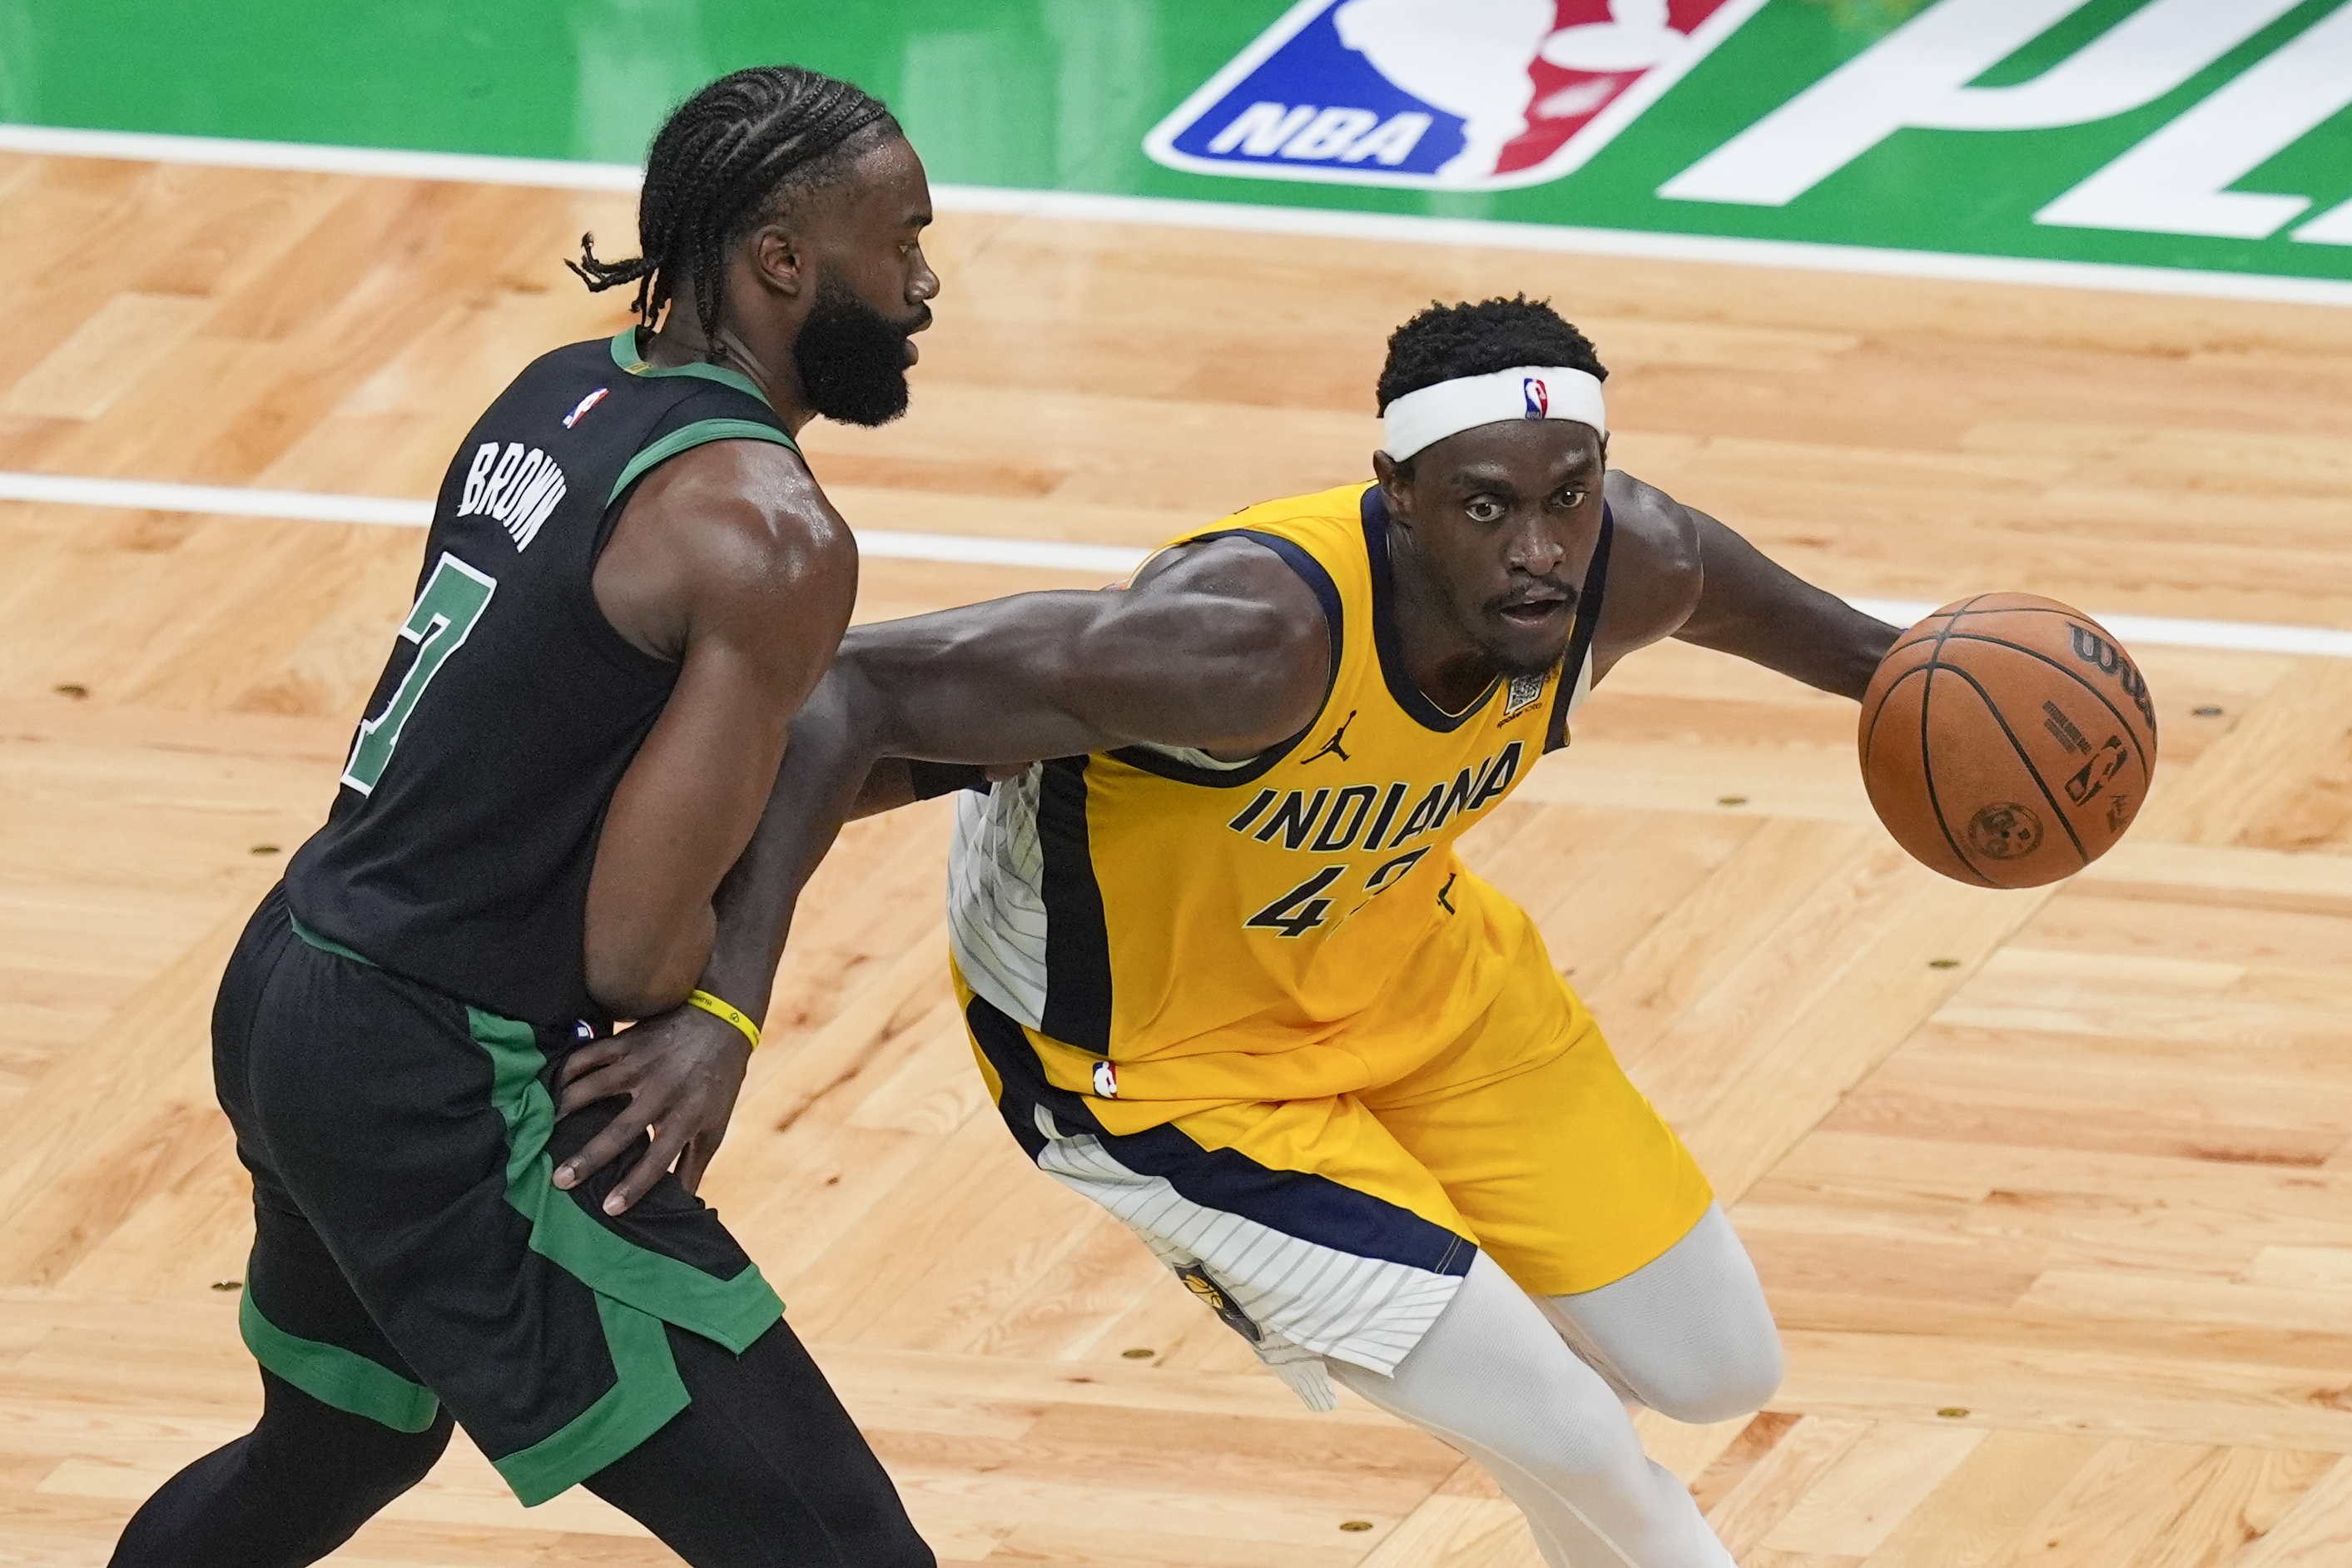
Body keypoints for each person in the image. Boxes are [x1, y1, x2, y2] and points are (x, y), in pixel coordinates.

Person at [573, 293, 1906, 1567]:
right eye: (1488, 507)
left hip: (1421, 985)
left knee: (1717, 1369)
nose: (1539, 550)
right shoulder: (1245, 642)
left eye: (1569, 497)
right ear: (1399, 496)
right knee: (1570, 1429)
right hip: (1159, 1065)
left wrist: (1988, 712)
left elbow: (1895, 671)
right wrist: (719, 1006)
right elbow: (845, 698)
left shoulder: (1633, 566)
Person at [111, 66, 940, 1568]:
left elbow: (550, 747)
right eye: (904, 244)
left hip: (300, 980)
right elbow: (635, 956)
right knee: (840, 1552)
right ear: (782, 261)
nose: (925, 285)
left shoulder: (563, 387)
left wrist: (914, 757)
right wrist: (725, 1012)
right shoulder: (770, 530)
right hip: (446, 1072)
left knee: (333, 1446)